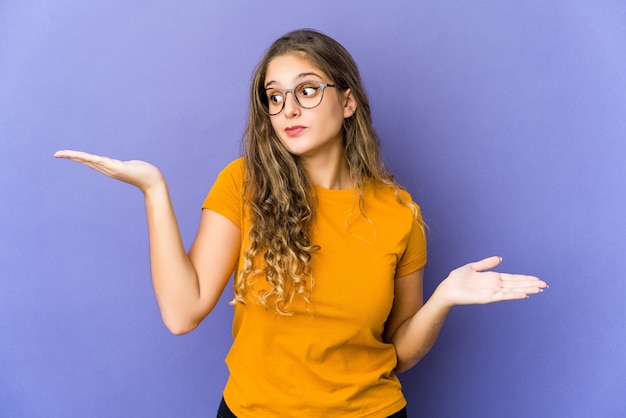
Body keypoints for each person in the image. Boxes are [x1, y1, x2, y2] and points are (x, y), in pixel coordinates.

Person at [54, 29, 547, 418]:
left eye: (308, 91)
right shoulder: (244, 184)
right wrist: (154, 190)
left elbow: (399, 354)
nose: (287, 109)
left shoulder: (399, 213)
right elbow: (182, 314)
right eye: (275, 96)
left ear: (347, 102)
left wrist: (443, 300)